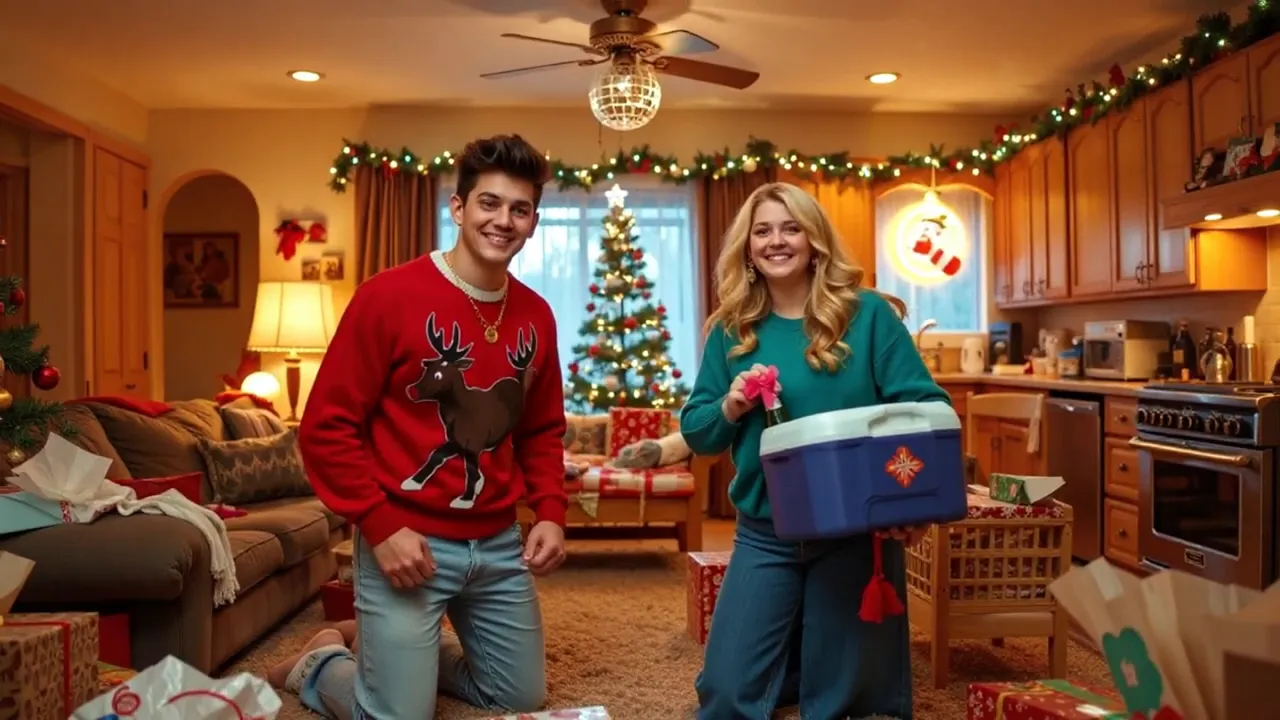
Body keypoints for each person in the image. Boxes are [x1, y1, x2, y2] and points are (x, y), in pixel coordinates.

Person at [298, 134, 569, 720]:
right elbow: (325, 427)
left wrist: (549, 509)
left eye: (519, 210)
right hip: (405, 542)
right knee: (398, 717)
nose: (503, 221)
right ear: (458, 208)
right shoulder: (386, 297)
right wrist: (379, 524)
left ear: (533, 222)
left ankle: (408, 658)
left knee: (520, 699)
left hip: (498, 546)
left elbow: (542, 429)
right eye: (489, 204)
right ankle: (322, 665)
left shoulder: (537, 315)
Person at [681, 182, 951, 720]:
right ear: (748, 248)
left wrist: (912, 509)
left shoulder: (871, 316)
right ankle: (799, 654)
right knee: (725, 697)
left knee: (847, 705)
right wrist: (732, 406)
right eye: (762, 230)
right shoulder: (731, 331)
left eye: (791, 227)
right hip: (766, 533)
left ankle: (809, 657)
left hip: (857, 535)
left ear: (815, 240)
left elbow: (926, 409)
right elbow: (698, 433)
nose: (776, 241)